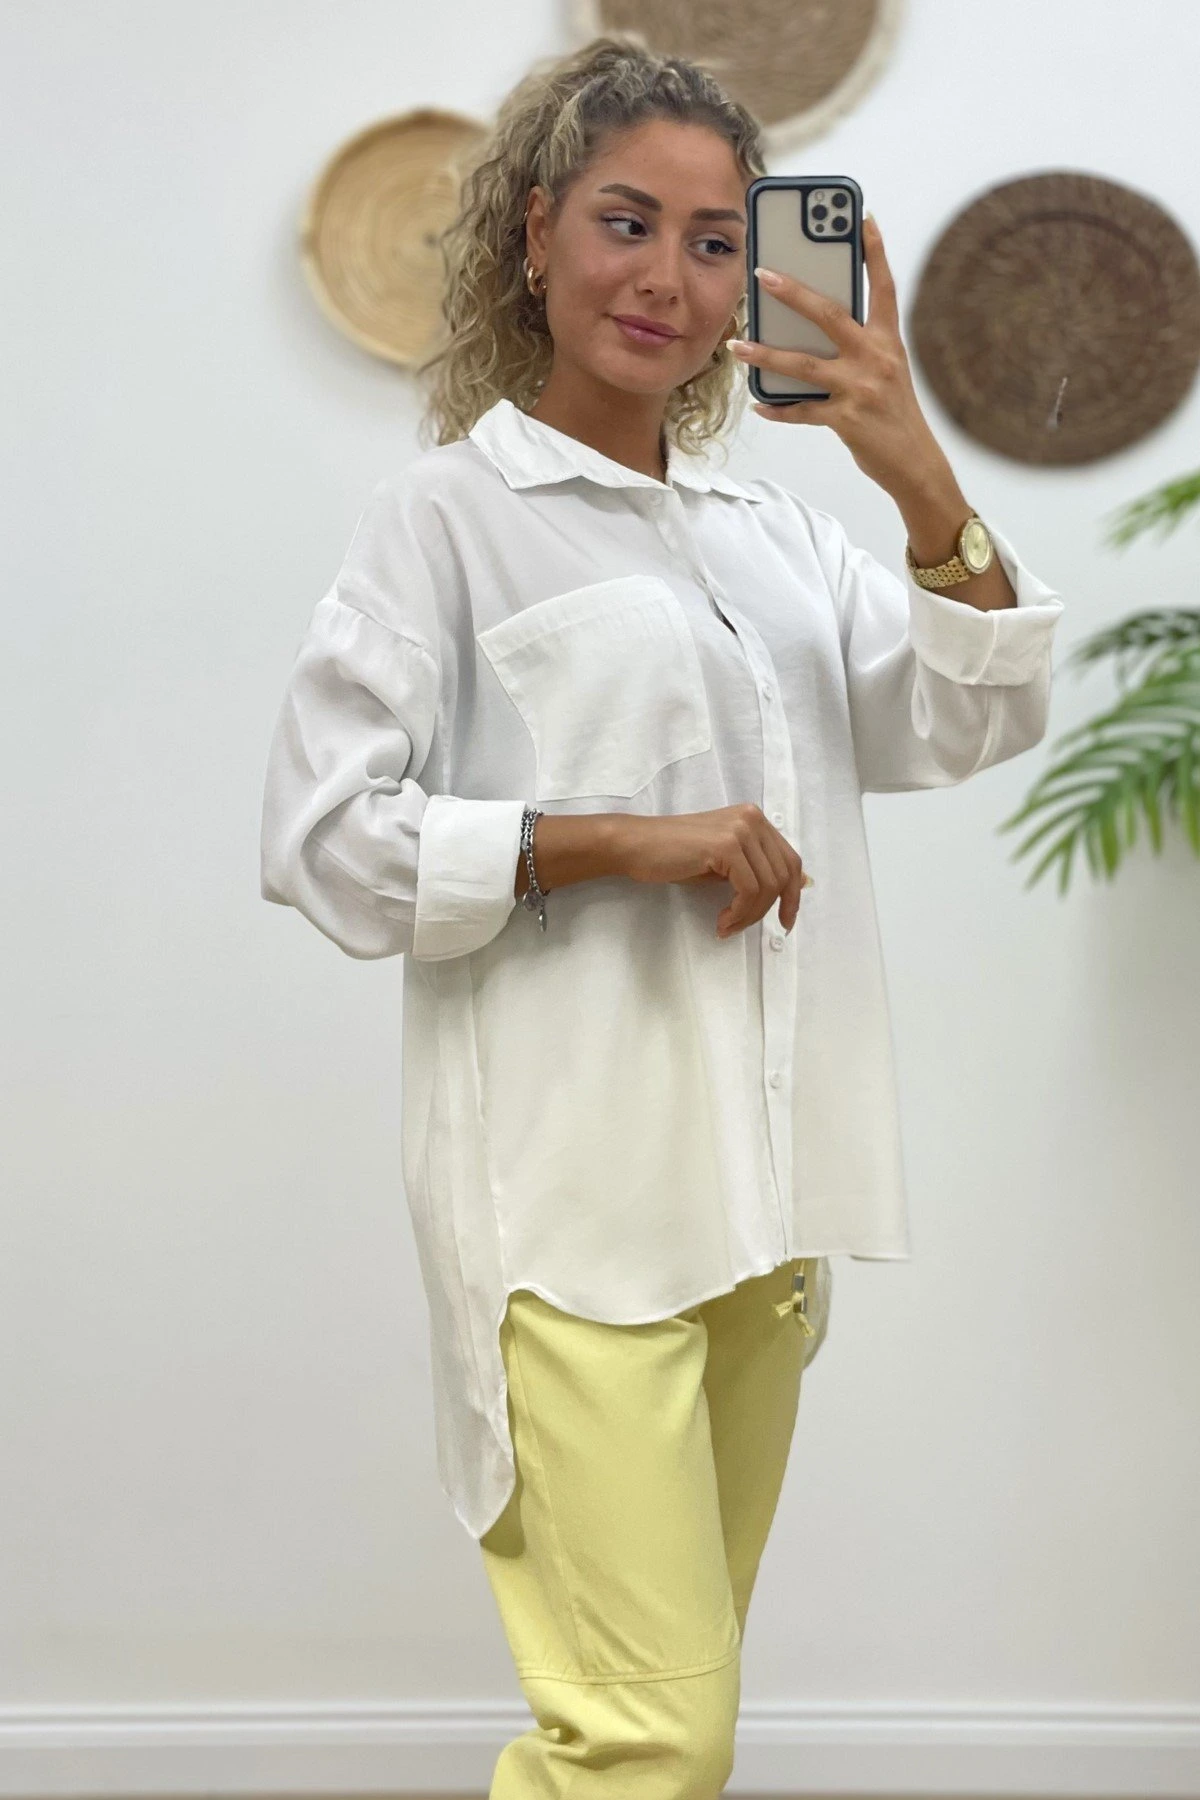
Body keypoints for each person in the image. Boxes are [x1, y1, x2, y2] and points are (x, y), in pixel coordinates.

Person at [259, 34, 1065, 1797]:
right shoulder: (446, 524)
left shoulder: (772, 536)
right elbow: (325, 842)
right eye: (627, 222)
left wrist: (914, 469)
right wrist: (619, 841)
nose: (670, 280)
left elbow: (971, 716)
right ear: (536, 231)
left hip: (763, 1218)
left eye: (716, 244)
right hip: (573, 1219)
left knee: (648, 1741)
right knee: (650, 1739)